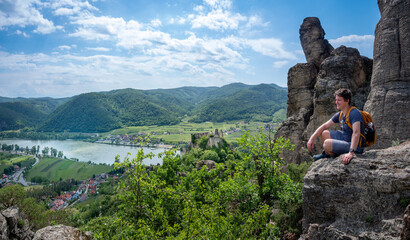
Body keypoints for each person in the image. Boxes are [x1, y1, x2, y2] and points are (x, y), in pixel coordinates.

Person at [307, 88, 365, 165]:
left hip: (355, 146)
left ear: (347, 100)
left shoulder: (354, 113)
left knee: (327, 143)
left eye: (339, 100)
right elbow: (324, 126)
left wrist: (351, 153)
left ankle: (334, 155)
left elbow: (356, 133)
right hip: (346, 139)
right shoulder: (341, 114)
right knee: (324, 133)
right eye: (336, 100)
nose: (336, 102)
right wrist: (312, 138)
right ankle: (327, 154)